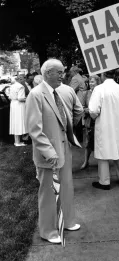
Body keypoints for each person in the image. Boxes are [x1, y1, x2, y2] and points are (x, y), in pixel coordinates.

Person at [25, 58, 83, 244]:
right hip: (48, 154)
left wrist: (67, 135)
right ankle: (48, 231)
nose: (62, 75)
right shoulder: (36, 94)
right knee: (49, 193)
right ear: (48, 73)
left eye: (63, 71)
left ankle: (68, 221)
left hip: (63, 148)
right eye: (59, 72)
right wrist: (50, 153)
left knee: (66, 186)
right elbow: (34, 130)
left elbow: (68, 117)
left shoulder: (58, 92)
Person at [89, 69, 119, 190]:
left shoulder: (99, 89)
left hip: (105, 124)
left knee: (103, 152)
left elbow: (94, 110)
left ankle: (104, 181)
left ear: (103, 74)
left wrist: (94, 117)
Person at [80, 75, 101, 170]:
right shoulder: (86, 93)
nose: (91, 84)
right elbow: (82, 107)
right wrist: (87, 110)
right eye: (90, 82)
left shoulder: (101, 93)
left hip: (100, 120)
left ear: (98, 82)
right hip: (90, 121)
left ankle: (102, 162)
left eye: (93, 82)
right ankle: (86, 161)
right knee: (88, 143)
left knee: (101, 142)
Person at [9, 76, 27, 146]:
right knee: (19, 122)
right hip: (19, 105)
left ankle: (17, 141)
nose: (24, 80)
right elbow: (20, 98)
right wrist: (27, 98)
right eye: (23, 79)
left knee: (15, 122)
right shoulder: (21, 86)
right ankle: (18, 142)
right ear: (20, 79)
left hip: (13, 104)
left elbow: (10, 97)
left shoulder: (12, 86)